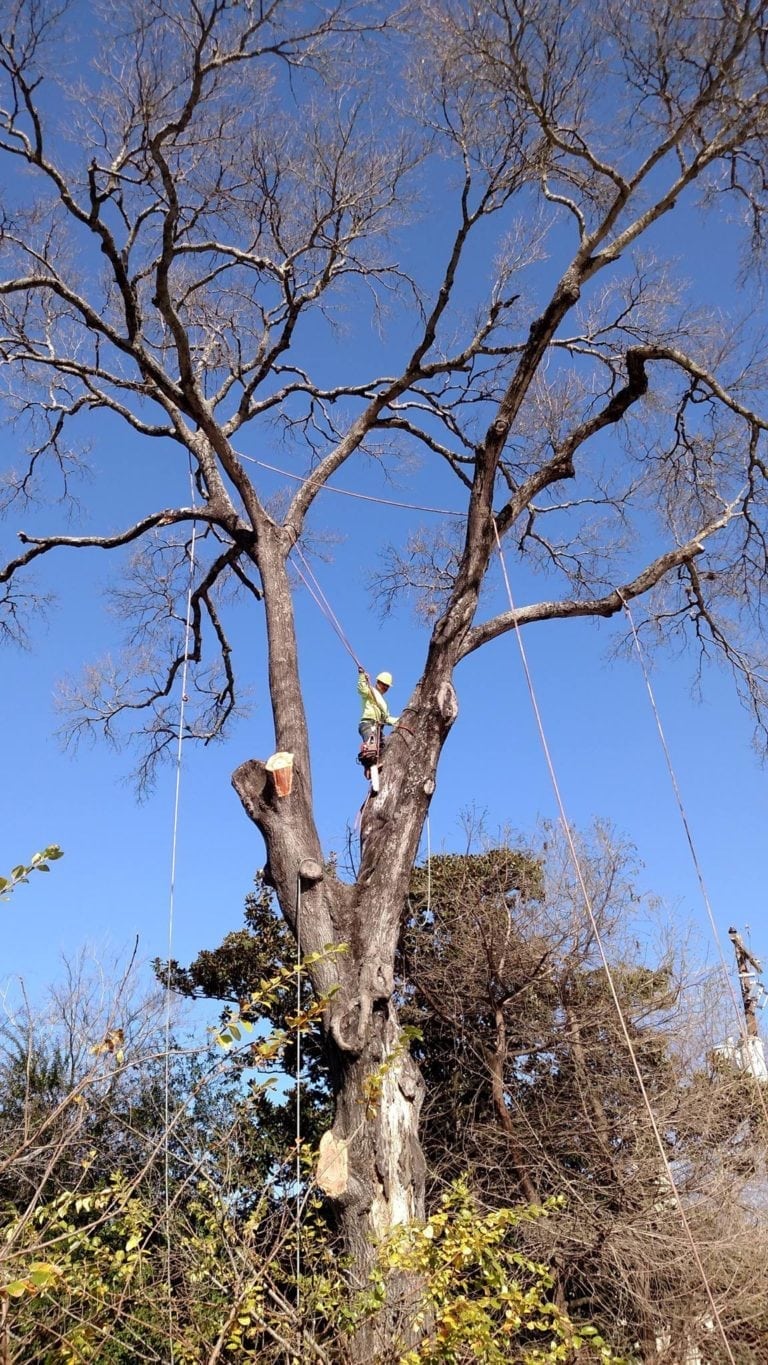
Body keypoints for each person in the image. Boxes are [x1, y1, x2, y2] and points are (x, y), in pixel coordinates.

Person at [357, 669, 398, 787]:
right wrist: (361, 676)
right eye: (383, 684)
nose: (385, 687)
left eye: (387, 686)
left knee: (384, 745)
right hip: (368, 724)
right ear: (377, 682)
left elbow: (387, 718)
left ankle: (373, 769)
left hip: (378, 728)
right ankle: (370, 767)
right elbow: (361, 689)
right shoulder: (370, 691)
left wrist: (400, 721)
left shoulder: (384, 704)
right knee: (371, 748)